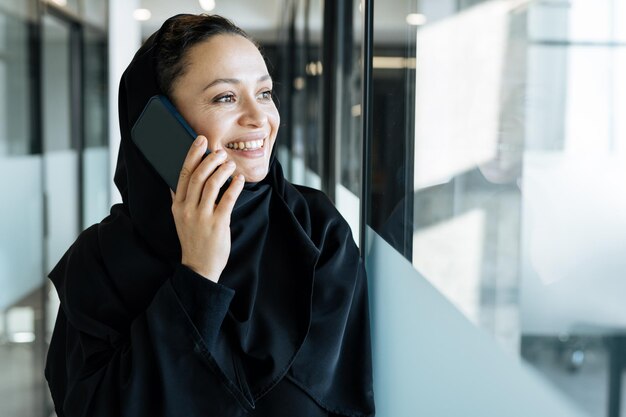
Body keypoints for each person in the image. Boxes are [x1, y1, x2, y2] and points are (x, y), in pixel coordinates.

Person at [45, 13, 374, 417]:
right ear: (159, 124)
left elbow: (338, 403)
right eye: (225, 97)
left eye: (266, 93)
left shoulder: (314, 230)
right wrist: (198, 276)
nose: (260, 119)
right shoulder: (98, 261)